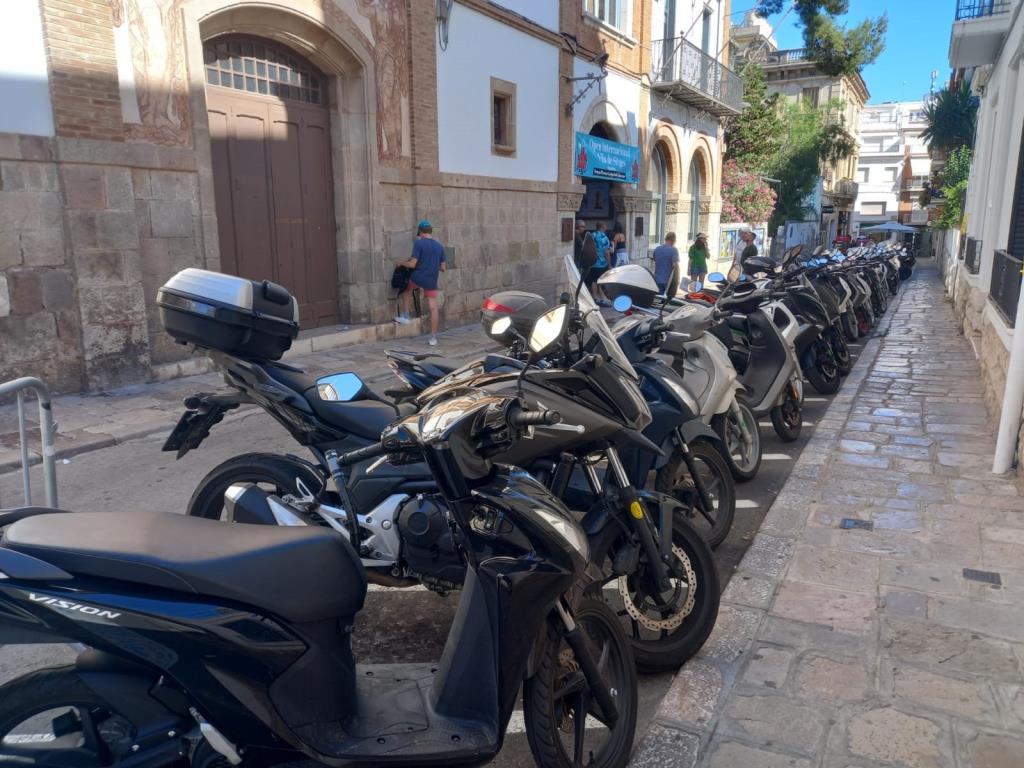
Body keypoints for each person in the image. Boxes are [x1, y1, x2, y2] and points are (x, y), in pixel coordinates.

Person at [395, 220, 446, 346]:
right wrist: (432, 264)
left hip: (418, 277)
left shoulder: (419, 243)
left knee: (406, 290)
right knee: (433, 308)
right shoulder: (439, 246)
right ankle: (433, 338)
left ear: (421, 232)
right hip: (431, 279)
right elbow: (443, 268)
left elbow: (412, 264)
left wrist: (401, 263)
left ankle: (406, 316)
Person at [590, 222, 612, 304]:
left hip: (593, 262)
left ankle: (595, 296)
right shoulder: (604, 237)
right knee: (601, 281)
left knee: (594, 280)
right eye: (605, 225)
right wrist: (609, 264)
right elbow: (607, 253)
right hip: (602, 263)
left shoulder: (592, 235)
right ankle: (603, 298)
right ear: (603, 227)